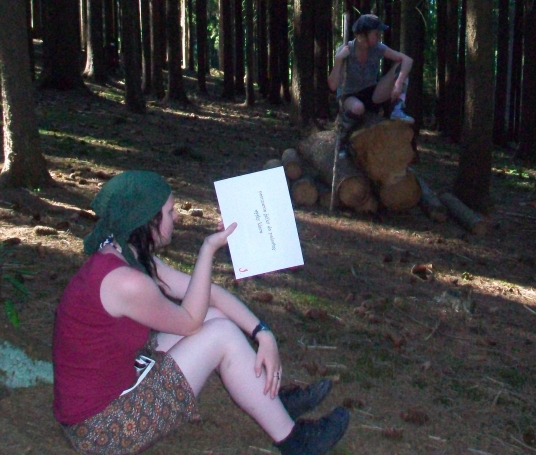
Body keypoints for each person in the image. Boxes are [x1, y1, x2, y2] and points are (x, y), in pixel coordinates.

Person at [52, 170, 350, 455]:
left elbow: (209, 296)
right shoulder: (127, 282)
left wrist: (263, 333)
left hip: (119, 379)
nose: (177, 217)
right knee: (221, 334)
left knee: (215, 317)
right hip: (101, 427)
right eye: (170, 212)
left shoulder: (123, 252)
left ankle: (271, 401)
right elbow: (190, 322)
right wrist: (208, 249)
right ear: (148, 220)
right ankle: (296, 442)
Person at [328, 14, 414, 151]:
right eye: (376, 33)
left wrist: (398, 83)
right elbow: (333, 85)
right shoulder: (347, 50)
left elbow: (407, 60)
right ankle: (343, 138)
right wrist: (338, 60)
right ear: (362, 35)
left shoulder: (378, 48)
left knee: (401, 65)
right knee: (357, 108)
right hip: (349, 95)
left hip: (371, 92)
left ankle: (398, 109)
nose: (379, 36)